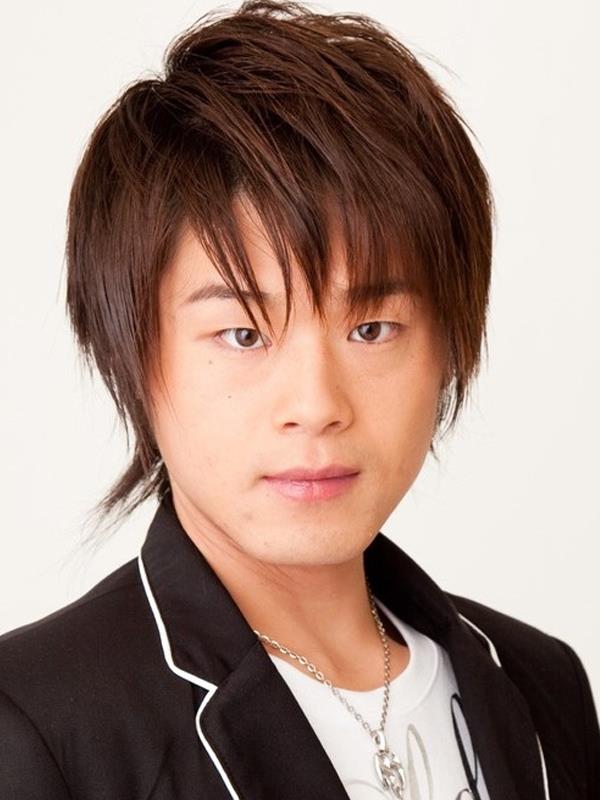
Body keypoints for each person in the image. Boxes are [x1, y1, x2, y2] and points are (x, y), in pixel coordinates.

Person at [1, 0, 598, 797]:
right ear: (132, 354)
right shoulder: (37, 724)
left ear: (449, 342)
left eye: (373, 329)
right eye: (243, 334)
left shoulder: (541, 683)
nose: (316, 405)